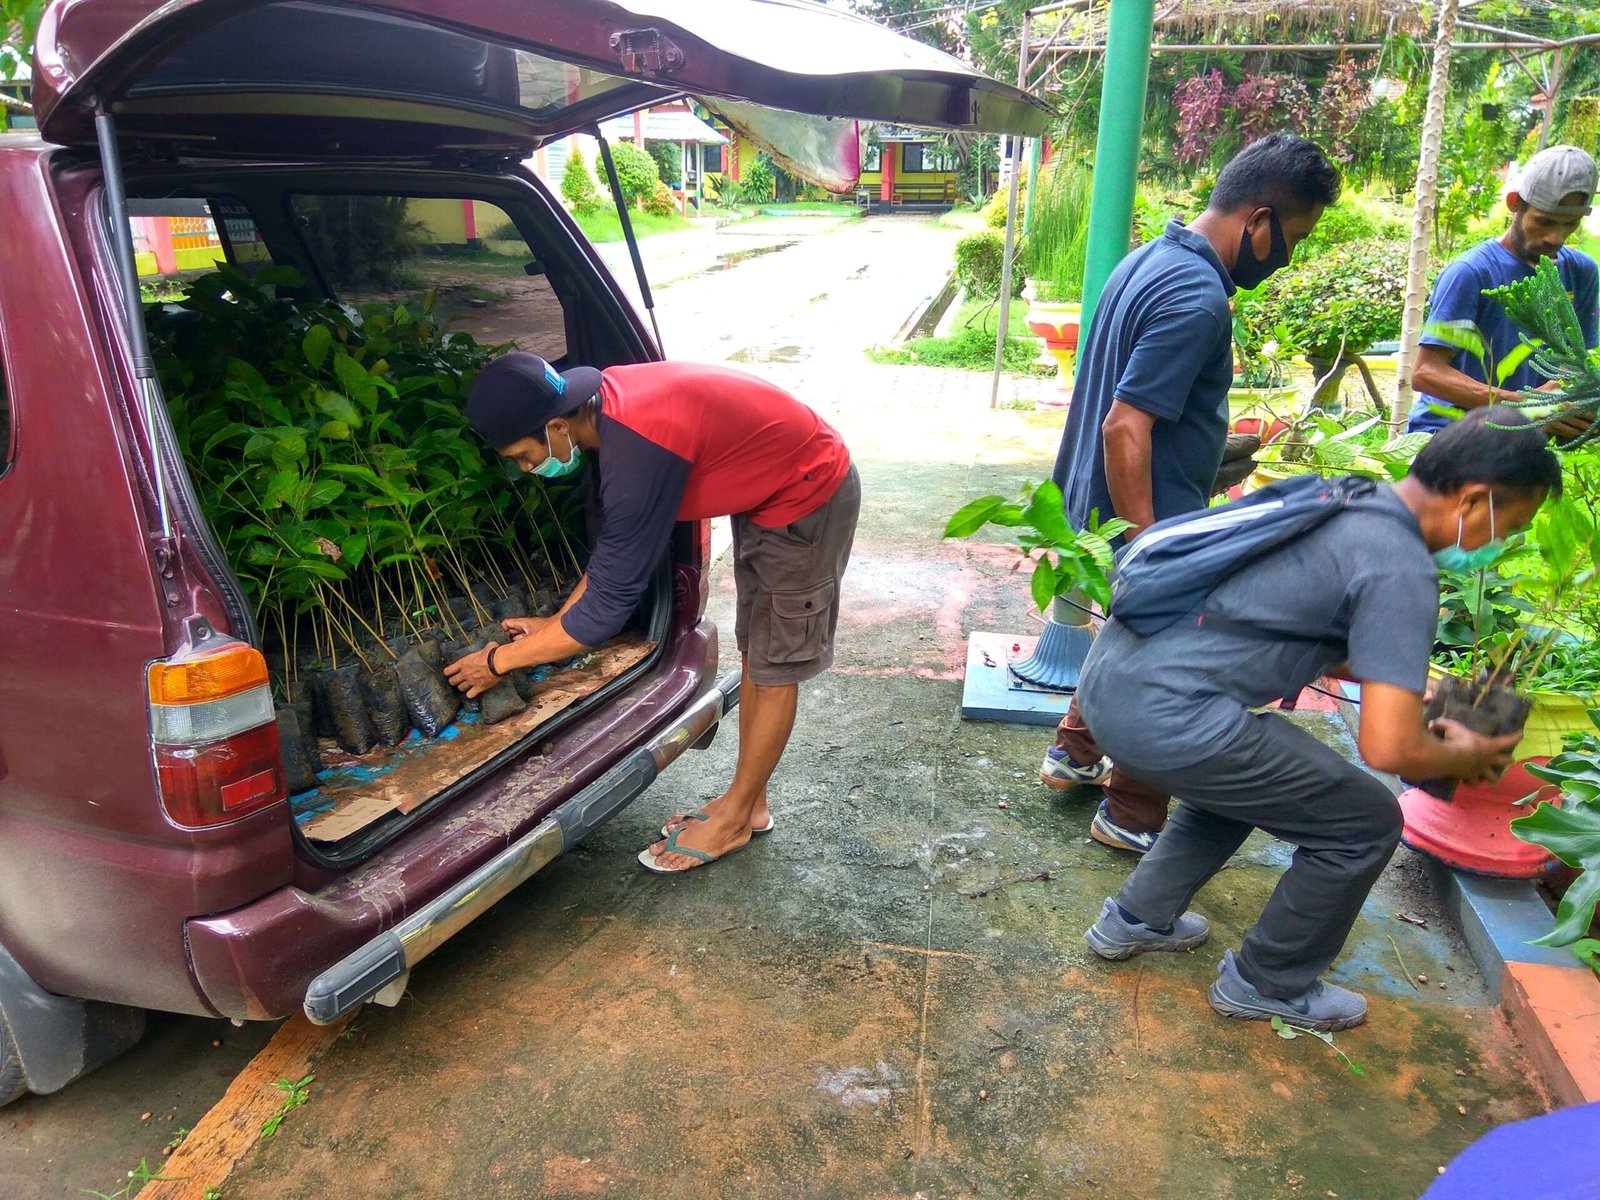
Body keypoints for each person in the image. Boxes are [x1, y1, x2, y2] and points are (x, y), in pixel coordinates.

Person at [1078, 408, 1557, 1031]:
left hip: (1111, 685)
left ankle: (1137, 917)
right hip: (1168, 718)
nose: (1501, 544)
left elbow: (1284, 616)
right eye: (1509, 526)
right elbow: (1387, 748)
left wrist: (1409, 676)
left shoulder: (1346, 498)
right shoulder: (1400, 565)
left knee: (1254, 775)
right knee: (1364, 821)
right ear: (1473, 502)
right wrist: (1467, 754)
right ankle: (1269, 981)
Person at [1041, 133, 1343, 853]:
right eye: (1291, 238)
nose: (1288, 256)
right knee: (1179, 668)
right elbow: (1125, 425)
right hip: (1144, 518)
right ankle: (1132, 812)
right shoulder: (1199, 295)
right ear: (1258, 220)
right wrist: (1157, 547)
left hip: (1094, 502)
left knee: (1132, 635)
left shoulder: (1148, 259)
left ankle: (1074, 752)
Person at [446, 353, 860, 874]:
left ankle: (736, 818)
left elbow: (602, 615)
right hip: (766, 496)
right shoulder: (605, 415)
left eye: (525, 456)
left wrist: (499, 662)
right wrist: (549, 629)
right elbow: (610, 563)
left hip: (807, 496)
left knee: (776, 667)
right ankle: (747, 803)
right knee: (759, 652)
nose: (528, 469)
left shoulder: (638, 448)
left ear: (555, 425)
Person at [1407, 144, 1597, 439]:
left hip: (1530, 440)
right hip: (1452, 436)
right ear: (1514, 203)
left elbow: (1578, 363)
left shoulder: (1582, 273)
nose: (1555, 237)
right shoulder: (1472, 273)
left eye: (1569, 224)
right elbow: (1426, 373)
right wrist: (1526, 408)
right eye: (1544, 221)